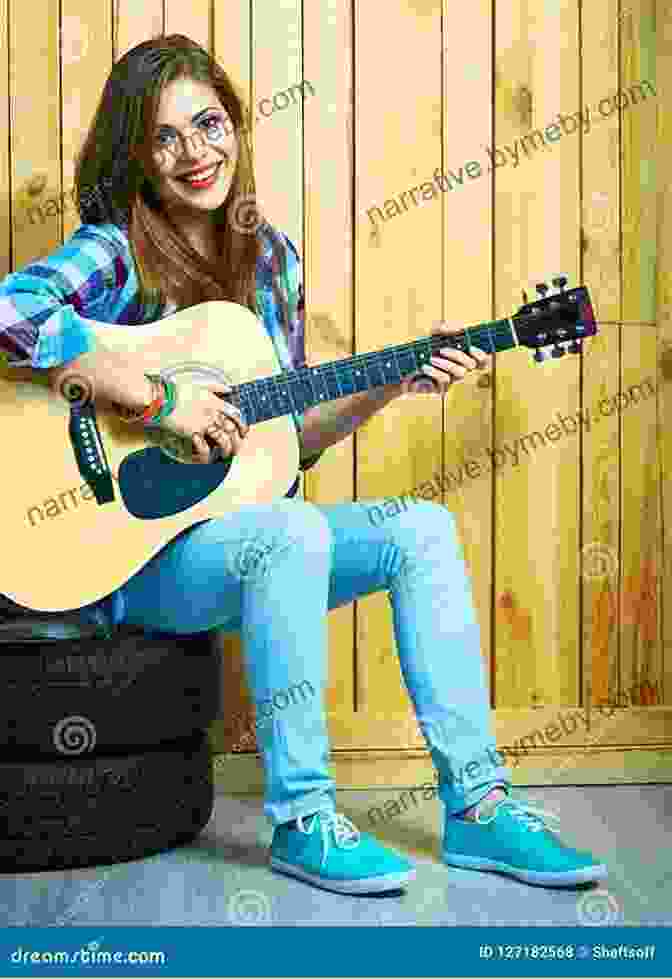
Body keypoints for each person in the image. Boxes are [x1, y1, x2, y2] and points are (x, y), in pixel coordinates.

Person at [0, 34, 607, 895]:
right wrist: (161, 401)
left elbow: (283, 438)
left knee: (422, 529)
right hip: (121, 559)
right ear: (137, 153)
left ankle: (480, 808)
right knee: (285, 530)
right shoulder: (116, 249)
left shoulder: (270, 259)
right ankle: (305, 817)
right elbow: (10, 310)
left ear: (237, 125)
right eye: (165, 137)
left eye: (209, 125)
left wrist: (390, 382)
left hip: (232, 537)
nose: (194, 153)